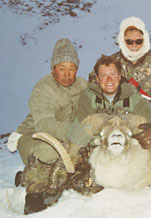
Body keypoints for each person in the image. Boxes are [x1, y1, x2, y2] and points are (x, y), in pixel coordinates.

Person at [7, 38, 88, 214]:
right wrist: (74, 133)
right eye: (62, 68)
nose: (67, 74)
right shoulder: (43, 89)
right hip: (35, 136)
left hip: (69, 137)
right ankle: (35, 192)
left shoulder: (83, 86)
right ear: (53, 69)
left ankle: (27, 176)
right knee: (52, 150)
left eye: (71, 68)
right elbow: (45, 124)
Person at [89, 16, 151, 120]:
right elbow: (95, 82)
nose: (134, 45)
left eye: (138, 41)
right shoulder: (112, 62)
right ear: (122, 40)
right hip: (118, 122)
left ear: (145, 40)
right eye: (129, 41)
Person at [68, 54, 151, 150]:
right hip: (98, 149)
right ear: (97, 79)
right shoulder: (88, 97)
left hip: (126, 149)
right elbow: (77, 128)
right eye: (103, 75)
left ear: (119, 76)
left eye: (113, 74)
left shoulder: (132, 97)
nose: (109, 80)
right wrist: (95, 141)